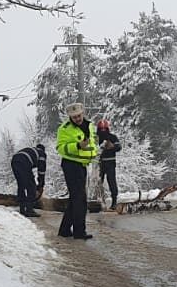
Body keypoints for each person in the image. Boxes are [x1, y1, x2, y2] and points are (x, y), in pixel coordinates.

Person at [56, 102, 97, 239]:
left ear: (82, 113)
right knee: (80, 199)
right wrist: (78, 146)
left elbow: (92, 142)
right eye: (74, 117)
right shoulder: (64, 129)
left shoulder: (89, 125)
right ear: (70, 117)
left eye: (79, 116)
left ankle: (64, 230)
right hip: (71, 165)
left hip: (82, 165)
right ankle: (79, 231)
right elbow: (60, 148)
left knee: (75, 199)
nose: (77, 119)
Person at [11, 143, 47, 217]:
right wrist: (41, 184)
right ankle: (29, 210)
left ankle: (22, 208)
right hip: (24, 161)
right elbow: (41, 171)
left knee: (21, 184)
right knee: (31, 186)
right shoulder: (42, 154)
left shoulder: (31, 151)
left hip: (14, 160)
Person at [95, 119, 122, 210]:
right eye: (101, 129)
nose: (103, 131)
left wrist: (113, 146)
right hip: (98, 164)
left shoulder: (112, 137)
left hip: (110, 163)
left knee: (112, 182)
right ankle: (98, 202)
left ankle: (114, 202)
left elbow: (119, 147)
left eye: (104, 129)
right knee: (98, 183)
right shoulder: (95, 138)